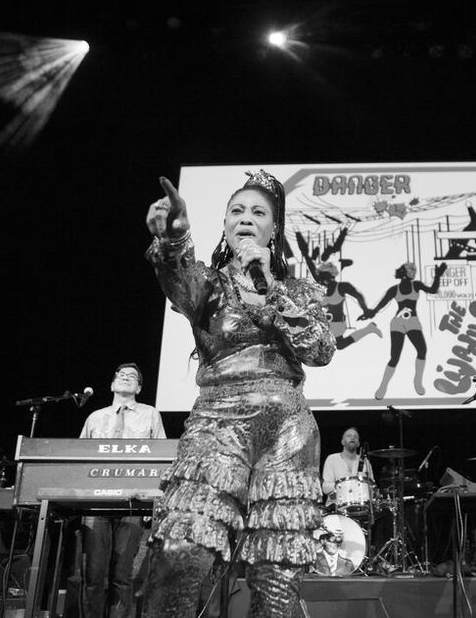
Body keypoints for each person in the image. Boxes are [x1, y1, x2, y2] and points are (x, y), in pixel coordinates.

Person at [142, 171, 335, 617]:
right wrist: (175, 241)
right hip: (218, 424)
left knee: (276, 581)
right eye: (236, 210)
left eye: (258, 212)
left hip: (287, 434)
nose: (245, 219)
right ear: (226, 225)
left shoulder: (298, 290)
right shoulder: (207, 285)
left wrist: (271, 288)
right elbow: (177, 277)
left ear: (274, 229)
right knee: (179, 551)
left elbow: (320, 350)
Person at [79, 362, 167, 618]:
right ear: (112, 384)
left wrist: (153, 500)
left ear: (138, 387)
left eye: (133, 377)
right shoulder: (95, 417)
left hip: (132, 502)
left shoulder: (151, 414)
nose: (127, 378)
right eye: (122, 375)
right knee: (94, 574)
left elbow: (160, 458)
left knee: (123, 575)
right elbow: (79, 458)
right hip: (96, 504)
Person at [361, 260, 448, 400]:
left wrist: (438, 275)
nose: (398, 271)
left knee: (422, 350)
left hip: (413, 321)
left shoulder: (416, 285)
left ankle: (417, 381)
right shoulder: (394, 289)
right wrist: (368, 314)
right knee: (395, 356)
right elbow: (380, 306)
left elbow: (432, 290)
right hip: (398, 323)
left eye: (401, 269)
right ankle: (383, 386)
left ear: (406, 273)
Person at [321, 427, 374, 510]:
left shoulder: (365, 462)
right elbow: (325, 487)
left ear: (358, 443)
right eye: (349, 436)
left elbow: (371, 486)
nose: (352, 437)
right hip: (335, 508)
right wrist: (344, 486)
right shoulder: (332, 459)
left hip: (361, 508)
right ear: (342, 442)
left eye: (355, 437)